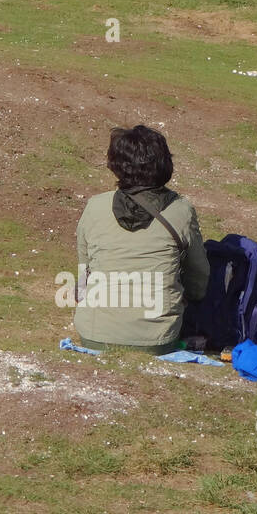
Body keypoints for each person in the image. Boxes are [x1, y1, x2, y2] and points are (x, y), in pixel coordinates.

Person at [74, 125, 210, 351]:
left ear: (115, 164)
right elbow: (199, 279)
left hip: (94, 334)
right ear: (165, 163)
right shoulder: (181, 211)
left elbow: (83, 273)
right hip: (157, 339)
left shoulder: (95, 206)